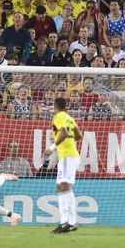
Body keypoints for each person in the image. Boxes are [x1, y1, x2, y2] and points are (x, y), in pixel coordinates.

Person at [44, 97, 82, 234]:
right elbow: (79, 135)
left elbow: (64, 132)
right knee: (61, 186)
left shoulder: (58, 116)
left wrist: (52, 147)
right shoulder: (70, 117)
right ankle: (67, 222)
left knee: (64, 186)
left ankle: (69, 222)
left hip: (67, 156)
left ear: (55, 106)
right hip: (71, 155)